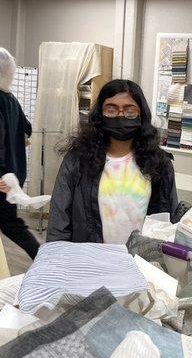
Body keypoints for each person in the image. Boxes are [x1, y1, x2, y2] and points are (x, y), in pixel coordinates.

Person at [47, 79, 180, 244]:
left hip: (140, 262)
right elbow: (59, 219)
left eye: (130, 110)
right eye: (111, 109)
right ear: (100, 114)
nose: (120, 115)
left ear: (141, 114)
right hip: (91, 260)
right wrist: (54, 258)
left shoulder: (159, 164)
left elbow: (170, 221)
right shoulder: (78, 160)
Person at [0, 47, 41, 259]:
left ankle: (43, 258)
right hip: (13, 174)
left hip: (3, 178)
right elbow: (28, 128)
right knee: (10, 223)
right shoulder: (11, 99)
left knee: (11, 224)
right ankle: (42, 256)